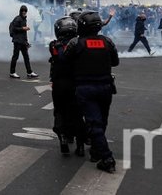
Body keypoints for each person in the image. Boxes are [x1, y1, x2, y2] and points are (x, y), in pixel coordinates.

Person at [63, 10, 119, 173]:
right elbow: (115, 62)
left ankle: (107, 157)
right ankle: (96, 151)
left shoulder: (75, 43)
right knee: (101, 121)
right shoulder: (107, 41)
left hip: (85, 88)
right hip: (106, 88)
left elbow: (65, 61)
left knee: (94, 123)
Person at [49, 15, 86, 156]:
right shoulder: (79, 44)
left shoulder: (54, 45)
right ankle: (81, 145)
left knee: (59, 111)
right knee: (77, 113)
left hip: (59, 84)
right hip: (75, 83)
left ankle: (63, 139)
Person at [9, 5, 38, 79]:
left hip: (22, 41)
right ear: (20, 11)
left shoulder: (24, 19)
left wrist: (26, 42)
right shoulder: (17, 19)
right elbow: (15, 28)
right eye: (23, 11)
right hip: (17, 41)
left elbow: (24, 33)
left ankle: (29, 72)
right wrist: (23, 28)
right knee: (15, 57)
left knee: (26, 57)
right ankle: (12, 72)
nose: (24, 12)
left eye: (25, 11)